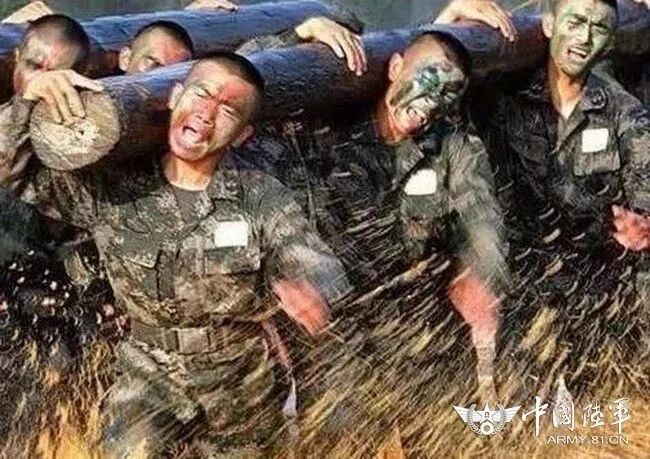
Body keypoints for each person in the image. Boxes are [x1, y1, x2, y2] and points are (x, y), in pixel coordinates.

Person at [0, 51, 349, 456]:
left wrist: (312, 289)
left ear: (242, 135)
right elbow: (12, 170)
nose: (207, 113)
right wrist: (28, 99)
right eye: (201, 94)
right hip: (147, 370)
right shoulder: (113, 188)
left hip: (240, 377)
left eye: (228, 111)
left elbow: (318, 263)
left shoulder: (259, 196)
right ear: (174, 96)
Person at [254, 32, 507, 449]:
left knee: (447, 442)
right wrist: (296, 33)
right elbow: (242, 77)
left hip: (421, 323)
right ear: (394, 67)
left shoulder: (454, 146)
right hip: (337, 330)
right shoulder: (324, 130)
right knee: (342, 444)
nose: (432, 102)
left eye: (448, 94)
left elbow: (483, 219)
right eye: (427, 80)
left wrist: (480, 273)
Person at [439, 0, 650, 401]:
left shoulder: (624, 112)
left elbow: (645, 186)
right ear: (550, 24)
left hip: (596, 287)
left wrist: (643, 224)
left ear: (609, 42)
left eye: (599, 28)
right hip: (521, 284)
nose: (584, 37)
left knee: (609, 405)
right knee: (520, 409)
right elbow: (432, 97)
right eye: (576, 21)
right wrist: (449, 20)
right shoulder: (503, 96)